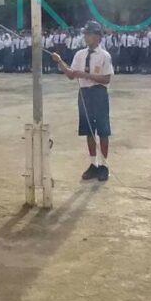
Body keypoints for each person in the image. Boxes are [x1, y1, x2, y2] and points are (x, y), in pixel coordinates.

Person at [51, 20, 115, 182]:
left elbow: (106, 79)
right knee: (88, 130)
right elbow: (71, 74)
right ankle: (93, 164)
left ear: (98, 37)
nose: (86, 37)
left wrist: (86, 75)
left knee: (103, 130)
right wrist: (59, 61)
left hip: (99, 93)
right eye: (85, 34)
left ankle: (104, 165)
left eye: (89, 34)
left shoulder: (104, 56)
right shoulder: (80, 54)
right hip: (84, 93)